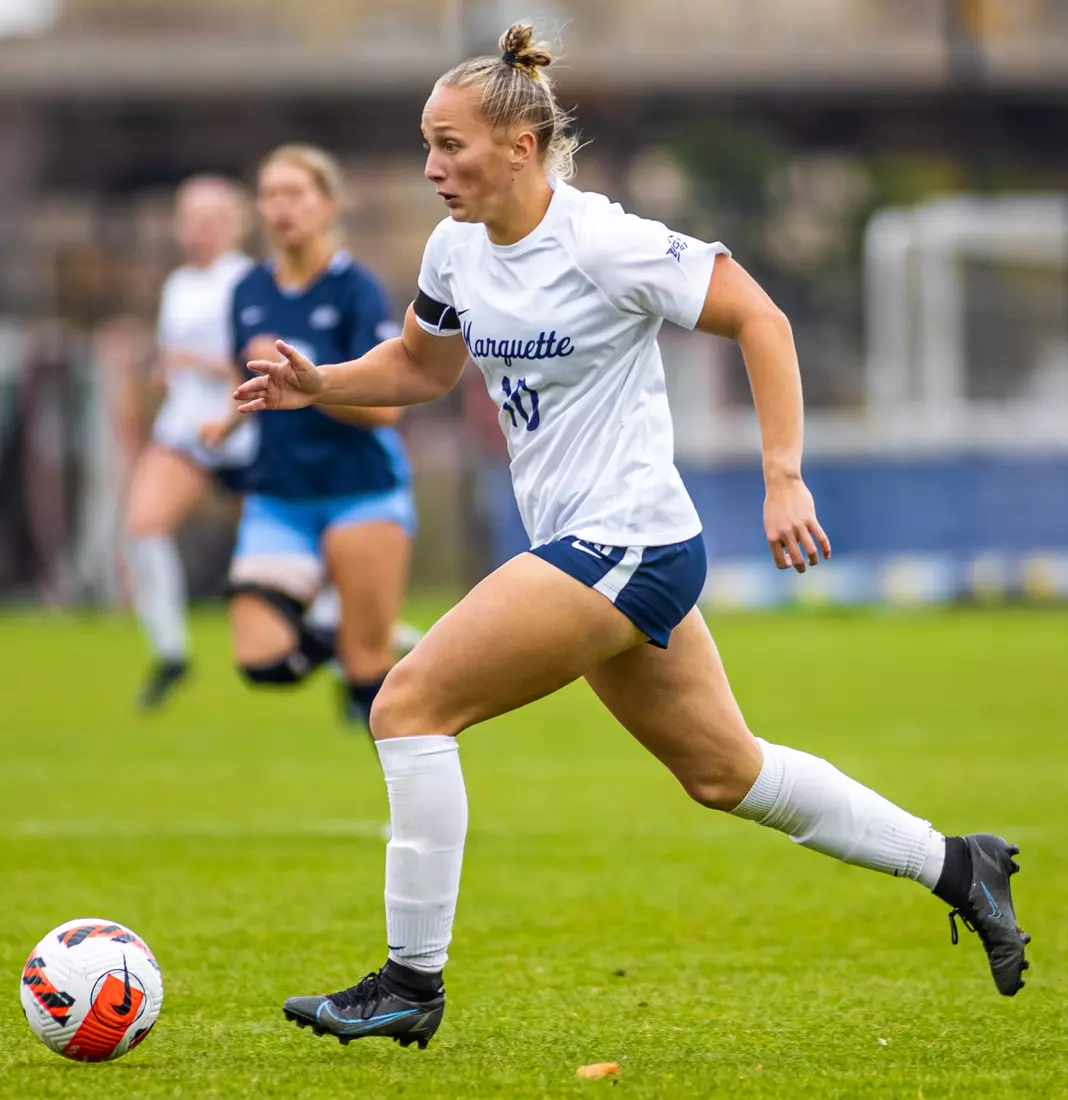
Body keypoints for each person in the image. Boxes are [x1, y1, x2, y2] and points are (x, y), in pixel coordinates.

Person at [234, 25, 1030, 1049]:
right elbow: (422, 369)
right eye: (426, 145)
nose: (432, 168)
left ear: (521, 145)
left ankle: (407, 981)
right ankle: (958, 863)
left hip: (630, 543)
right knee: (725, 772)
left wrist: (780, 475)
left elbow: (760, 317)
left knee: (406, 703)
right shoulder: (452, 247)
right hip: (594, 548)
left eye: (452, 146)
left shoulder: (600, 240)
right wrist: (319, 385)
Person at [207, 144, 415, 723]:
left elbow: (387, 410)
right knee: (261, 662)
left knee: (367, 676)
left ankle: (402, 806)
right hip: (279, 494)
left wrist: (316, 387)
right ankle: (335, 622)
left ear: (327, 205)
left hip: (360, 490)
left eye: (294, 193)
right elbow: (244, 383)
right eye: (270, 195)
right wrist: (222, 423)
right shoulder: (247, 290)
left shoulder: (357, 291)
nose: (281, 208)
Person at [123, 176, 254, 709]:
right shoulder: (178, 284)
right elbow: (169, 361)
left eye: (211, 220)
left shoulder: (246, 281)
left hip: (243, 432)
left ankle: (359, 658)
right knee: (142, 528)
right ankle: (171, 652)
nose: (199, 231)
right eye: (191, 220)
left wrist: (195, 363)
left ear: (233, 225)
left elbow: (253, 361)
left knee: (291, 558)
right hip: (184, 432)